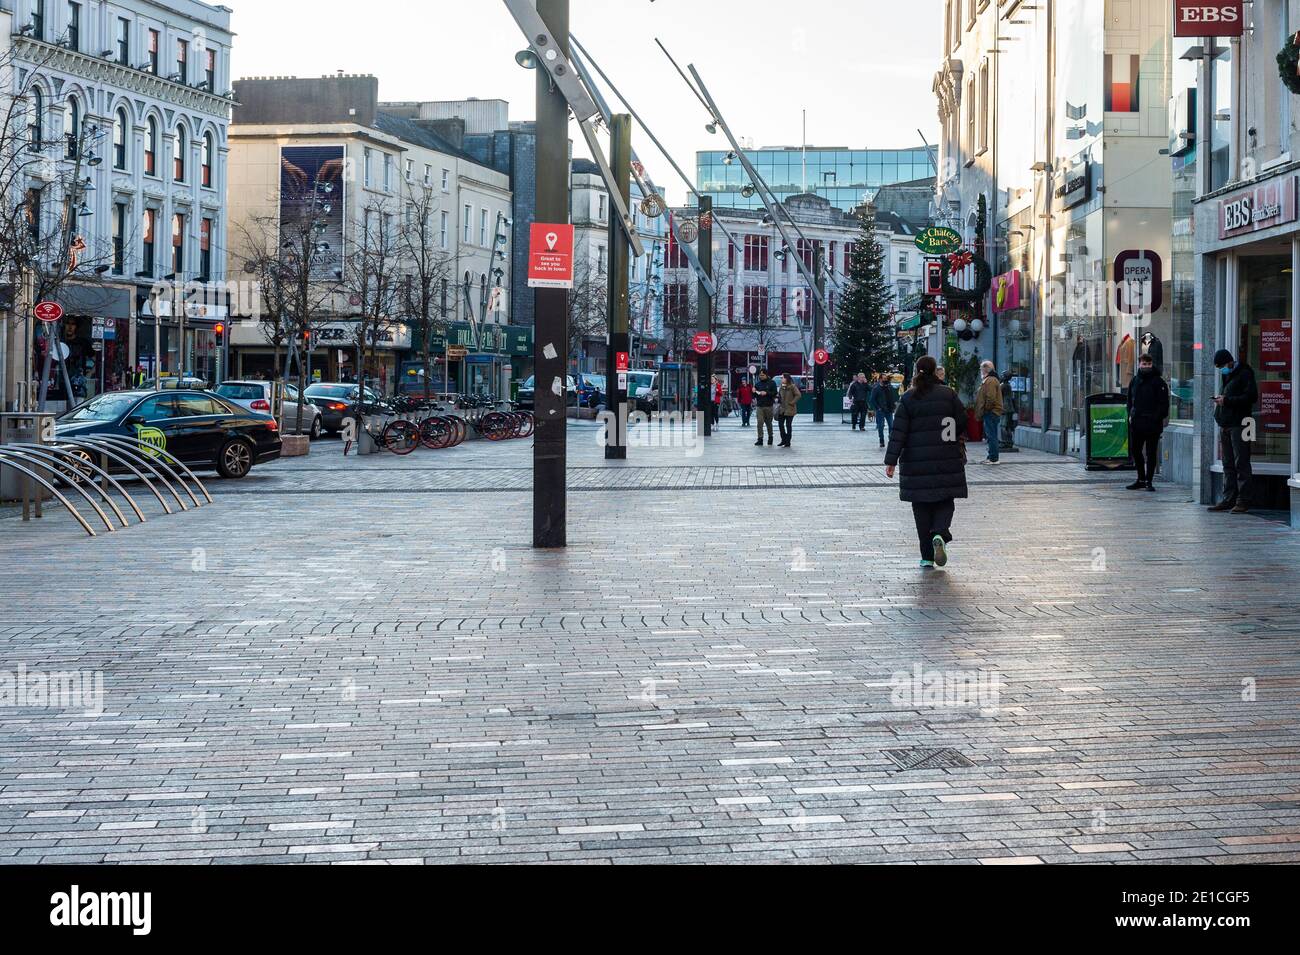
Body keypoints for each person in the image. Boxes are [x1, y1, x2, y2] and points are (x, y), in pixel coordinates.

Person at [884, 355, 969, 568]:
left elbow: (898, 432)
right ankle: (940, 532)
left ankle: (927, 556)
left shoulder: (909, 398)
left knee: (921, 507)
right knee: (944, 499)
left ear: (916, 371)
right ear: (935, 371)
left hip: (915, 461)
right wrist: (948, 434)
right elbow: (961, 421)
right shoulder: (948, 394)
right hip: (946, 457)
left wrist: (891, 461)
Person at [1208, 349, 1259, 514]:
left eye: (1222, 366)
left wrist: (1227, 400)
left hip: (1240, 423)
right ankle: (1228, 498)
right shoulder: (1228, 374)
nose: (1222, 369)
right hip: (1226, 424)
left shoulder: (1244, 373)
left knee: (1241, 462)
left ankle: (1243, 500)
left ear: (1230, 361)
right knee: (1228, 464)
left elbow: (1251, 397)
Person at [1125, 352, 1170, 491]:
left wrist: (1155, 418)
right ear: (1139, 364)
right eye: (1144, 364)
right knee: (1136, 451)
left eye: (1149, 364)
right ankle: (1140, 478)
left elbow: (1164, 404)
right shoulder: (1134, 380)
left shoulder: (1158, 382)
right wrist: (1130, 415)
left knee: (1151, 453)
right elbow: (1129, 400)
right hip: (1137, 422)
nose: (1146, 366)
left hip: (1152, 424)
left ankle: (1149, 481)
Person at [973, 360, 1005, 465]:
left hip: (991, 412)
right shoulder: (990, 380)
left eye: (981, 368)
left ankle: (993, 458)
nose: (980, 370)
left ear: (985, 369)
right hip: (991, 412)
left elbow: (990, 397)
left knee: (991, 435)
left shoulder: (990, 380)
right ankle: (991, 456)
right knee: (991, 435)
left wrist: (986, 409)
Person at [868, 373, 898, 449]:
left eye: (886, 378)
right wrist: (878, 408)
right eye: (884, 378)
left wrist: (893, 405)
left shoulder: (889, 387)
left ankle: (891, 440)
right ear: (880, 379)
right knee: (880, 426)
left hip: (889, 410)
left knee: (891, 426)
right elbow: (872, 400)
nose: (885, 380)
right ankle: (881, 441)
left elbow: (892, 397)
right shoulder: (876, 388)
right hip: (881, 410)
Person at [753, 370, 778, 446]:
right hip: (759, 406)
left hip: (769, 406)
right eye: (760, 375)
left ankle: (770, 437)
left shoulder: (772, 383)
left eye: (763, 375)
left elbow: (775, 393)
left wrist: (767, 393)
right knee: (759, 422)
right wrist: (753, 391)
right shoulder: (757, 384)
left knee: (768, 423)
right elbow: (754, 395)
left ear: (766, 375)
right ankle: (760, 438)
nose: (761, 376)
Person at [777, 373, 801, 447]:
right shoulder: (781, 387)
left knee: (788, 425)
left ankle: (788, 441)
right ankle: (783, 439)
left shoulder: (792, 387)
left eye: (782, 378)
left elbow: (798, 395)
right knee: (780, 425)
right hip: (782, 409)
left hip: (790, 409)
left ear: (786, 379)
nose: (781, 379)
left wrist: (792, 402)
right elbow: (780, 396)